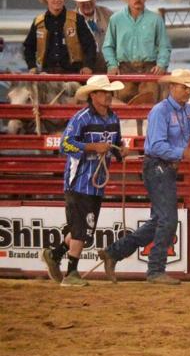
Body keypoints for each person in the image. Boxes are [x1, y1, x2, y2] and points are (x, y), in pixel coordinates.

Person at [98, 69, 190, 285]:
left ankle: (114, 252)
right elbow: (158, 146)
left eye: (189, 87)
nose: (187, 91)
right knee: (168, 220)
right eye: (183, 87)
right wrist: (184, 153)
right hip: (157, 167)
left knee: (159, 221)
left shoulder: (188, 112)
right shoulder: (161, 111)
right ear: (172, 88)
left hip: (165, 168)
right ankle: (155, 270)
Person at [40, 75, 127, 286]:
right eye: (104, 92)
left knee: (83, 229)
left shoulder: (113, 119)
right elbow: (65, 145)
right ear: (93, 95)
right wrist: (92, 147)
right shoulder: (82, 118)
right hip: (78, 181)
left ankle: (55, 254)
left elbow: (116, 142)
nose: (108, 96)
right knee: (82, 229)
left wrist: (120, 152)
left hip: (96, 182)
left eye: (109, 92)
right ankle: (71, 273)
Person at [104, 0, 170, 104]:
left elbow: (164, 46)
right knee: (123, 104)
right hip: (124, 69)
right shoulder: (115, 19)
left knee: (150, 104)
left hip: (149, 69)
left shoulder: (155, 20)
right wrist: (112, 64)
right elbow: (108, 46)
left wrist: (161, 64)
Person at [24, 0, 96, 75]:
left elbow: (90, 45)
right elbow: (28, 47)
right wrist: (32, 66)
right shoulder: (38, 22)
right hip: (47, 74)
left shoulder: (77, 19)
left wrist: (88, 66)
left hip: (73, 74)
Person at [69, 0, 112, 74]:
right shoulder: (69, 20)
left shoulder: (108, 14)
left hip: (108, 71)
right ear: (76, 2)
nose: (87, 3)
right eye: (83, 1)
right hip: (82, 73)